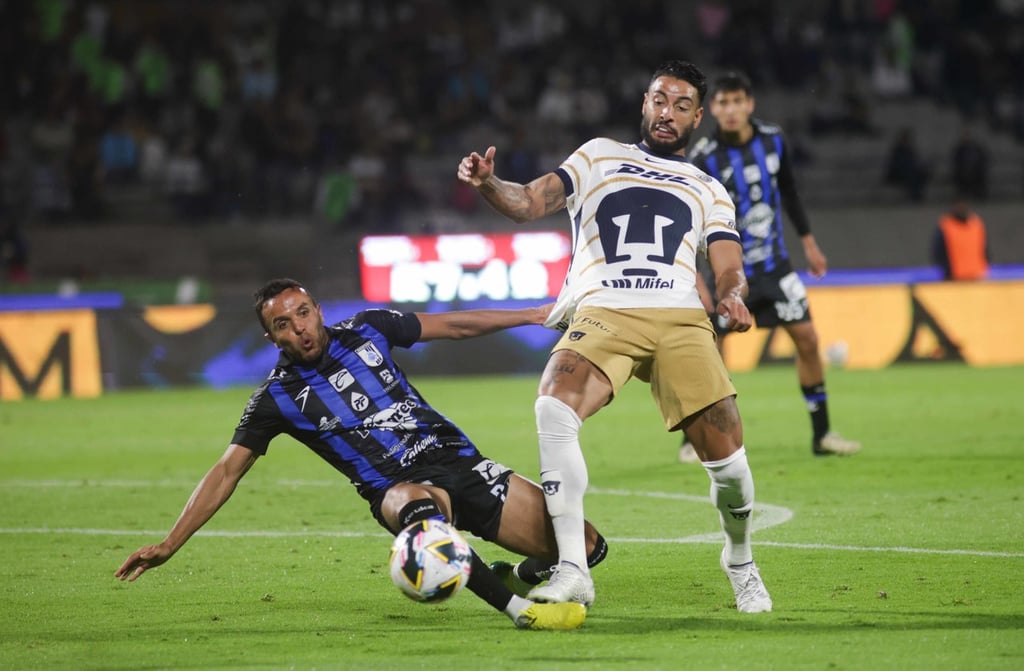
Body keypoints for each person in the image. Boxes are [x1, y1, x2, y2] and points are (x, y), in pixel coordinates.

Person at [457, 60, 773, 613]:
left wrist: (731, 293)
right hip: (605, 309)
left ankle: (740, 558)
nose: (666, 113)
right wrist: (489, 183)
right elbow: (529, 201)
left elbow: (727, 262)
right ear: (644, 103)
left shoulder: (708, 187)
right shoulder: (599, 155)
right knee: (553, 407)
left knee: (730, 467)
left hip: (679, 316)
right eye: (658, 100)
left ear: (697, 117)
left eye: (680, 106)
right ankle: (574, 570)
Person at [115, 278, 609, 631]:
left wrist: (530, 314)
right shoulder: (276, 398)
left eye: (302, 313)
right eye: (283, 324)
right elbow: (227, 471)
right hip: (399, 489)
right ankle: (520, 611)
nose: (299, 329)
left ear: (317, 310)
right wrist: (170, 542)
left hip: (461, 462)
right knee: (420, 516)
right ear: (271, 338)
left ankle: (512, 572)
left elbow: (453, 324)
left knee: (587, 548)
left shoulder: (370, 329)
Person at [685, 70, 861, 461]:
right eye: (722, 103)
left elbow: (789, 193)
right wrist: (697, 274)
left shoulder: (773, 141)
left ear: (750, 104)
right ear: (712, 108)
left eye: (736, 102)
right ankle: (696, 438)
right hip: (729, 274)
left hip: (777, 268)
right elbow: (691, 218)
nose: (729, 110)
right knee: (710, 351)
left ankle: (822, 434)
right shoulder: (703, 156)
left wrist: (810, 244)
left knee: (810, 340)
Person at [931, 196, 990, 280]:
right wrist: (947, 271)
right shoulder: (945, 226)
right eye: (959, 206)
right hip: (955, 277)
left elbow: (984, 248)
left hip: (978, 275)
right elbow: (938, 252)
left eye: (964, 206)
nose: (962, 209)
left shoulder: (976, 224)